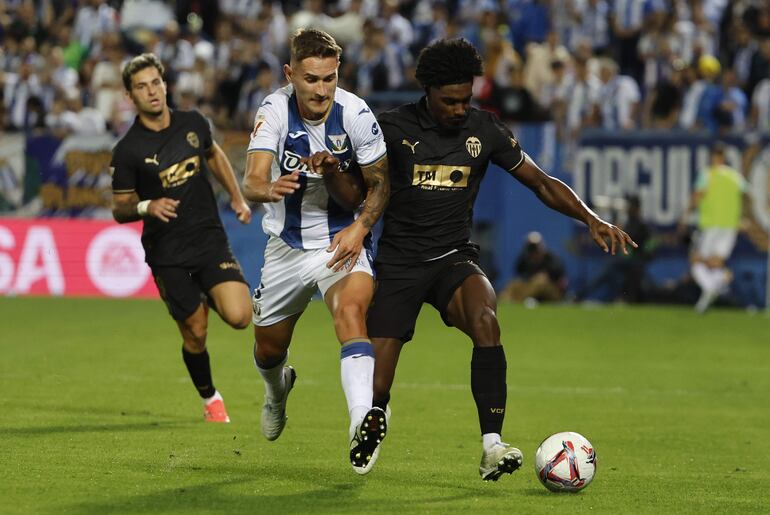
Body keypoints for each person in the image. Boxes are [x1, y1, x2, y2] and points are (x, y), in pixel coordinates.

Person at [366, 38, 636, 482]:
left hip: (454, 258)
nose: (459, 109)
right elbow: (361, 186)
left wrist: (590, 219)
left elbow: (543, 183)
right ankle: (375, 417)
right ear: (427, 91)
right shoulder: (390, 128)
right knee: (375, 385)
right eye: (450, 101)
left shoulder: (485, 130)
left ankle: (492, 445)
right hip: (399, 264)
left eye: (466, 99)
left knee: (486, 319)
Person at [241, 28, 391, 475]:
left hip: (339, 240)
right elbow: (252, 178)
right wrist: (266, 188)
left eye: (329, 78)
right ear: (291, 74)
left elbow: (381, 185)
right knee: (268, 349)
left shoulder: (356, 114)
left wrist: (361, 228)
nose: (321, 89)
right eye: (311, 79)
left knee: (352, 316)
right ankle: (276, 392)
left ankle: (360, 422)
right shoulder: (273, 110)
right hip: (286, 248)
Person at [110, 53, 253, 423]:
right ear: (130, 96)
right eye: (141, 87)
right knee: (196, 335)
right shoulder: (128, 150)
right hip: (167, 252)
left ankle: (209, 291)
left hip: (208, 240)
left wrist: (236, 197)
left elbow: (215, 155)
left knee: (240, 316)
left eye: (155, 82)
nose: (151, 91)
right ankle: (210, 399)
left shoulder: (193, 123)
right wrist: (147, 206)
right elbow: (120, 208)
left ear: (165, 83)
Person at [679, 143, 747, 313]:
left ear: (713, 157)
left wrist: (686, 215)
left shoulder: (707, 174)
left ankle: (710, 286)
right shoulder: (735, 176)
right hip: (730, 226)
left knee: (696, 260)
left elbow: (697, 196)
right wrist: (743, 217)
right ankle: (719, 282)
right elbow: (747, 195)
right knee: (716, 263)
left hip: (710, 225)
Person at [498, 231, 567, 304]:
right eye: (531, 247)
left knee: (540, 279)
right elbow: (518, 270)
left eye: (535, 247)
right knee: (515, 283)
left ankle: (520, 301)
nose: (533, 250)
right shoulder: (526, 258)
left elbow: (558, 274)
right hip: (531, 288)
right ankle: (503, 300)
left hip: (552, 292)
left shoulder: (551, 258)